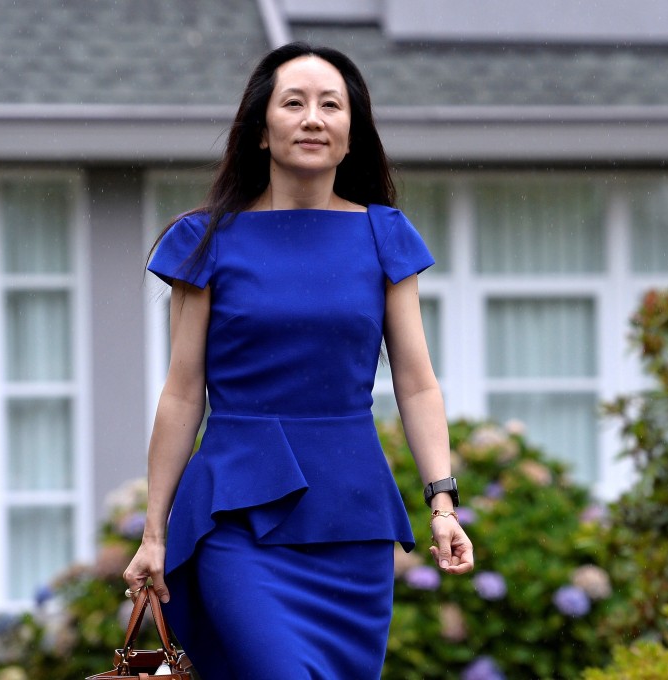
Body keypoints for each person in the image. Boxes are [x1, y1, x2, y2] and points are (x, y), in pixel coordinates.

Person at [123, 41, 474, 679]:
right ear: (261, 129)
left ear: (350, 134)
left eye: (330, 105)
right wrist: (154, 532)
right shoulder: (205, 242)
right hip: (237, 519)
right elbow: (181, 393)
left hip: (352, 524)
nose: (313, 118)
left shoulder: (383, 236)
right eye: (294, 102)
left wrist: (443, 504)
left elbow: (417, 386)